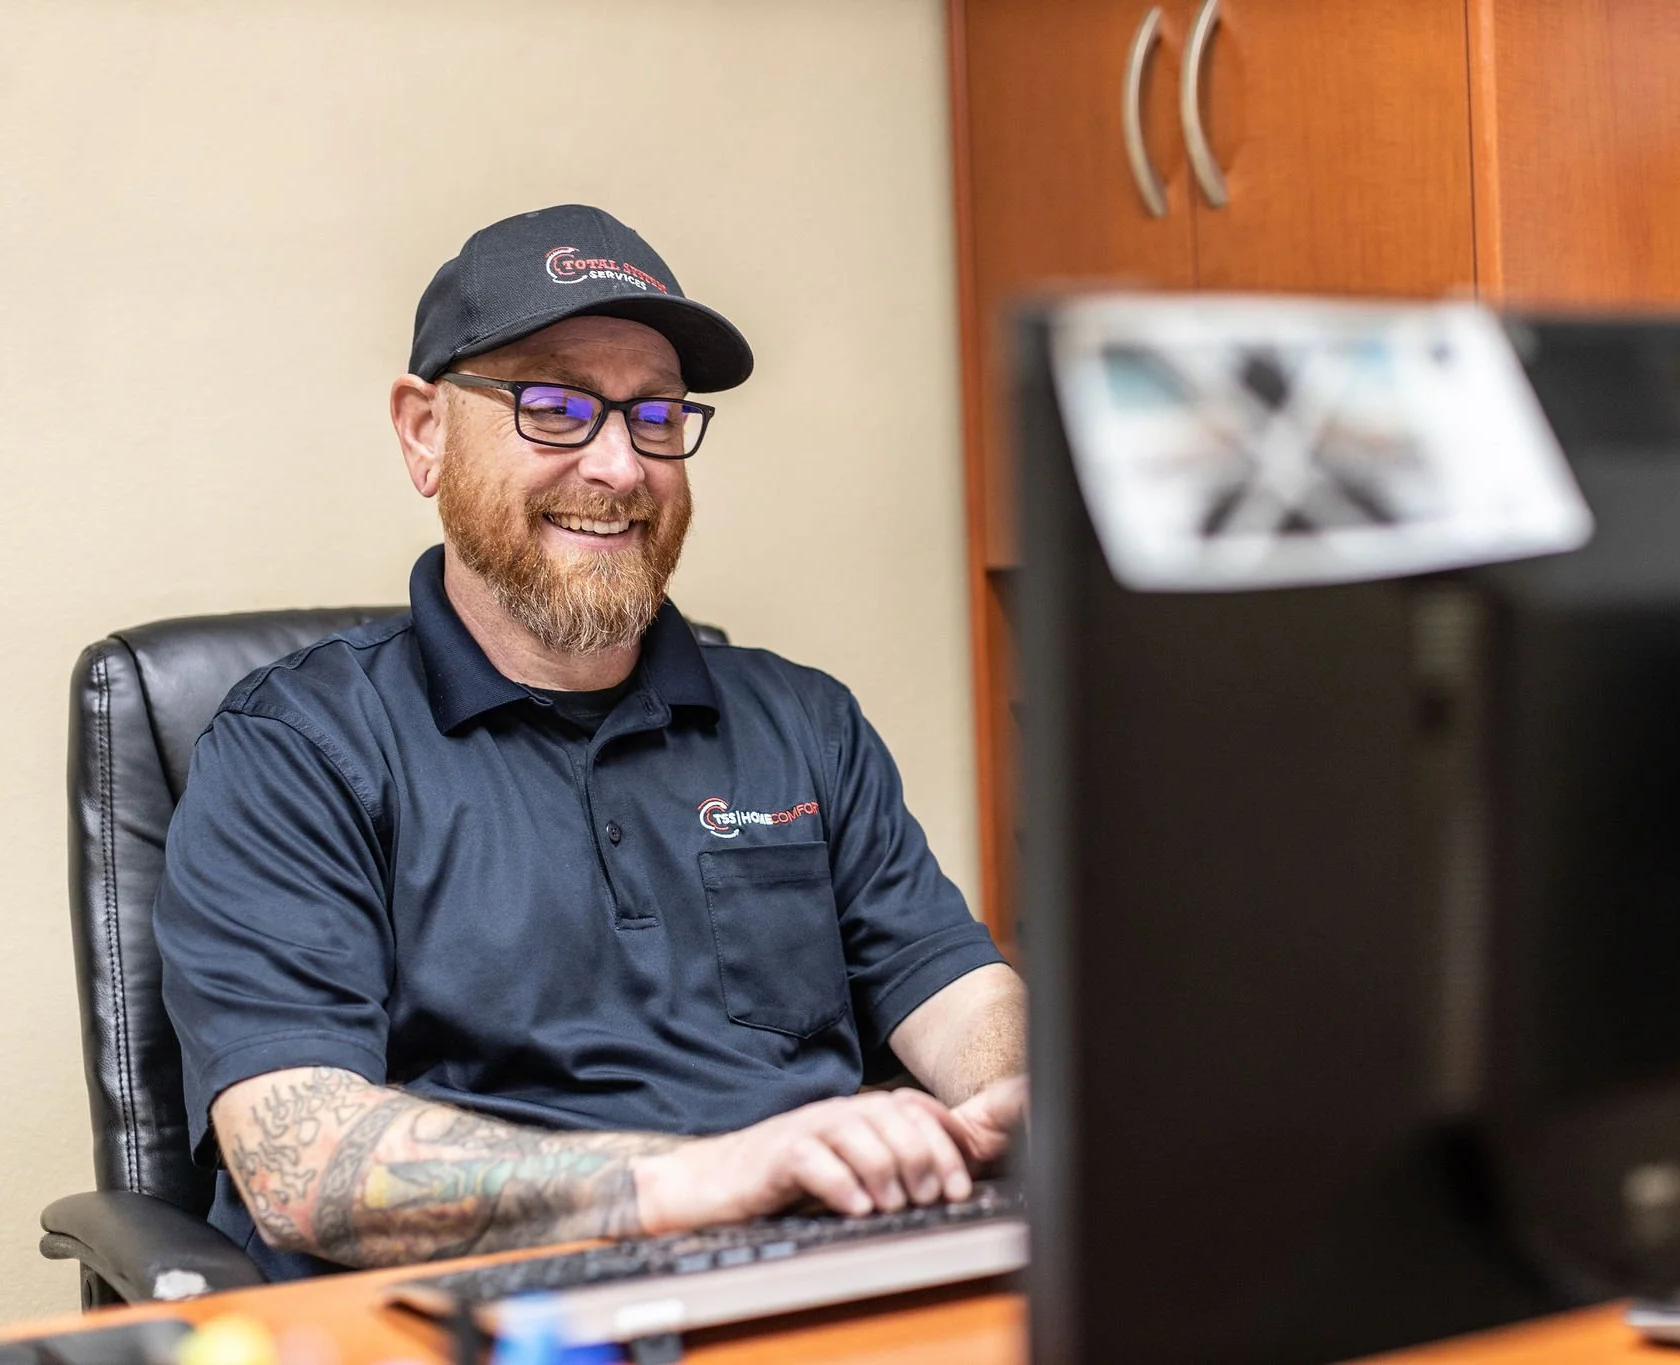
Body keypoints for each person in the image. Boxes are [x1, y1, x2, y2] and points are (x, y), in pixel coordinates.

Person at [154, 204, 1027, 1280]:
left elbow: (952, 991)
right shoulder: (294, 749)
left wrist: (1014, 1095)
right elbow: (301, 1160)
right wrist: (698, 1181)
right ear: (424, 431)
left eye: (657, 415)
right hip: (490, 1308)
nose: (619, 467)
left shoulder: (804, 722)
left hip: (812, 1274)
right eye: (554, 407)